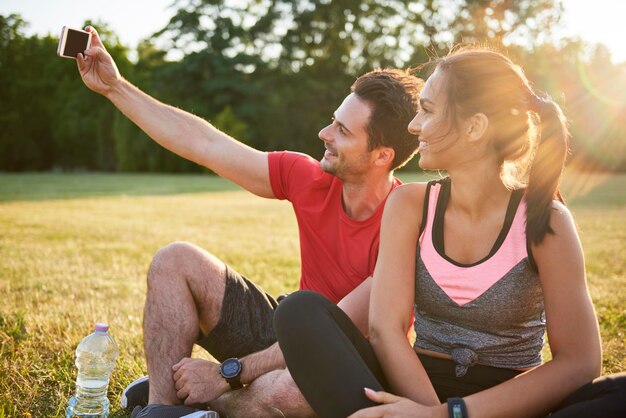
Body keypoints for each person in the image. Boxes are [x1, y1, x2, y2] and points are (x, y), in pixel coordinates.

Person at [75, 26, 423, 418]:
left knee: (293, 391)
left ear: (382, 156)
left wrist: (227, 375)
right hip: (289, 332)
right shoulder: (308, 177)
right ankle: (161, 409)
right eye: (332, 120)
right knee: (175, 260)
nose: (324, 134)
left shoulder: (404, 219)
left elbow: (336, 328)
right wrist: (114, 87)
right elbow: (205, 143)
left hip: (346, 365)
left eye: (342, 131)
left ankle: (201, 403)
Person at [274, 46, 626, 418]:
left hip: (508, 405)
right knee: (300, 312)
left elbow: (579, 362)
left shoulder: (547, 221)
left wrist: (448, 415)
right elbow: (385, 330)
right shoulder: (409, 205)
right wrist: (427, 411)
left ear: (474, 127)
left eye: (427, 111)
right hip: (411, 391)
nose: (413, 126)